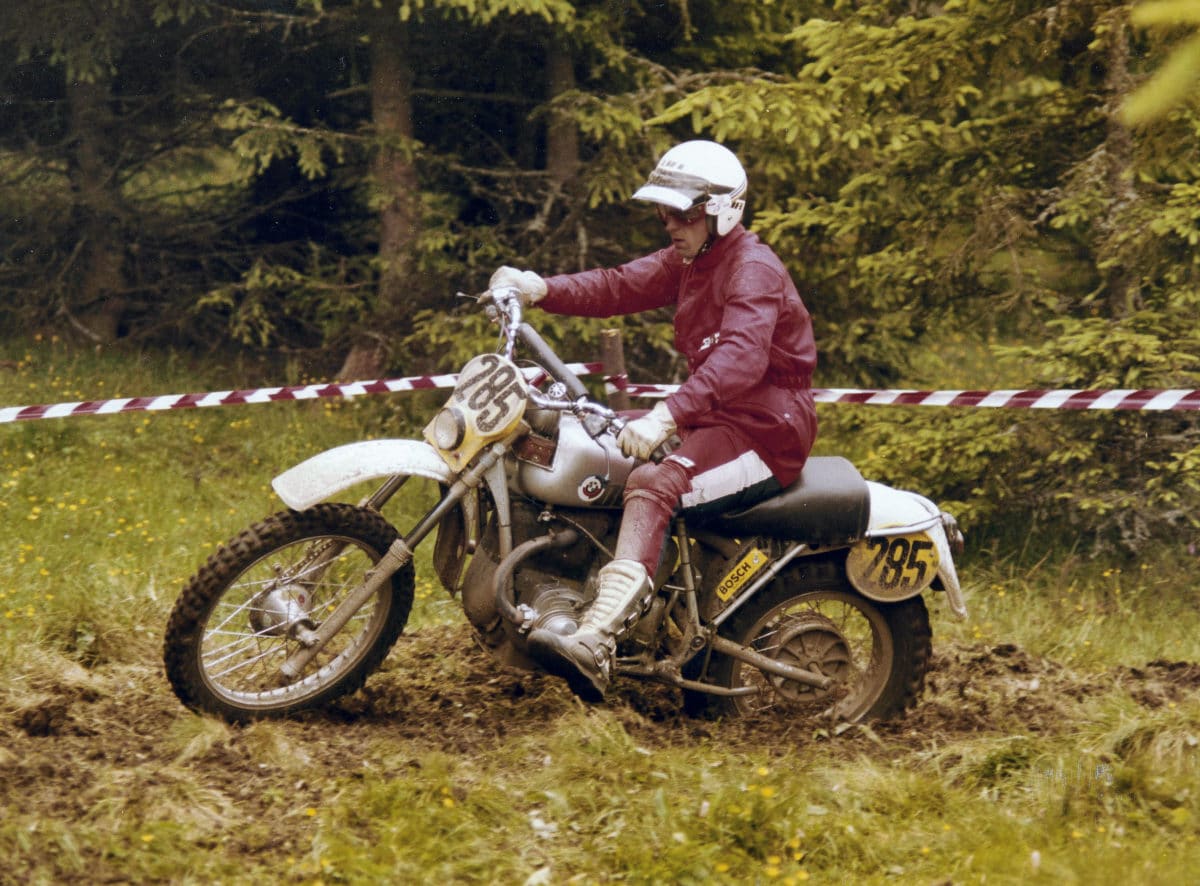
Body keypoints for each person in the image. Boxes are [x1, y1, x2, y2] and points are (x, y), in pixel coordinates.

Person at [489, 139, 818, 701]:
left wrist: (667, 416)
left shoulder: (752, 269)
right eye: (664, 211)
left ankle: (596, 639)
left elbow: (742, 356)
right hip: (716, 415)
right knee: (589, 441)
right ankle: (584, 591)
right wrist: (539, 288)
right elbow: (619, 284)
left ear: (720, 211)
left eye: (683, 213)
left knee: (653, 479)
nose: (669, 223)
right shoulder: (693, 260)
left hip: (766, 431)